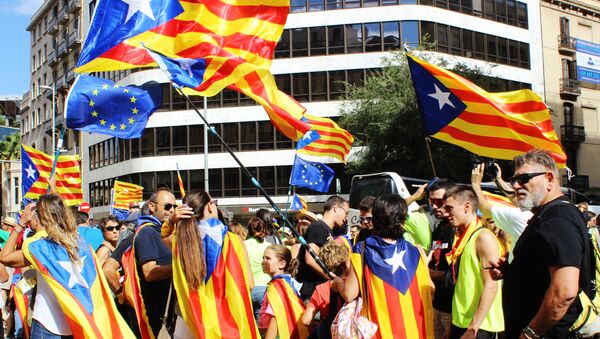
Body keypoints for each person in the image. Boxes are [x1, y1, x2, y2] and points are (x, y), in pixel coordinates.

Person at [0, 194, 132, 338]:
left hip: (47, 325)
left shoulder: (38, 247)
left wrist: (21, 223)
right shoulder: (82, 244)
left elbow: (4, 257)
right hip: (78, 321)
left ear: (40, 218)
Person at [492, 149, 591, 338]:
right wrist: (515, 269)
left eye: (524, 179)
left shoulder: (557, 218)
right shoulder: (549, 214)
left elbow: (564, 292)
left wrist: (530, 334)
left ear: (549, 179)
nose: (516, 186)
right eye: (514, 180)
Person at [337, 194, 434, 338]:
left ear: (375, 219)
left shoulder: (361, 250)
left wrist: (337, 283)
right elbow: (431, 291)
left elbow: (349, 293)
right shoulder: (417, 251)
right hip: (417, 331)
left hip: (381, 332)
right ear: (403, 221)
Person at [166, 190, 257, 338]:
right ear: (209, 207)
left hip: (189, 320)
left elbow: (164, 236)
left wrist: (171, 221)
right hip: (225, 321)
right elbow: (249, 284)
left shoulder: (181, 242)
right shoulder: (233, 240)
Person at [442, 186, 504, 338]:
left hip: (479, 325)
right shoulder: (460, 236)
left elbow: (491, 285)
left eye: (450, 208)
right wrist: (451, 324)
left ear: (467, 207)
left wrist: (474, 327)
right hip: (461, 322)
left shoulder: (483, 237)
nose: (446, 214)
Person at [407, 178, 456, 339]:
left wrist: (427, 271)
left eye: (439, 201)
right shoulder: (437, 228)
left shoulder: (459, 231)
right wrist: (414, 197)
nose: (434, 206)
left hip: (453, 309)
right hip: (436, 305)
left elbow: (457, 275)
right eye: (431, 200)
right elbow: (391, 212)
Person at [127, 187, 176, 336]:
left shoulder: (163, 231)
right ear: (152, 206)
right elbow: (149, 272)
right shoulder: (148, 231)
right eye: (167, 206)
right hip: (154, 316)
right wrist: (178, 268)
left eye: (175, 206)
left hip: (167, 312)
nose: (172, 210)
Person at [471, 163, 532, 260]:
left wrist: (475, 184)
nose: (515, 186)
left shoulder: (518, 216)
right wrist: (498, 180)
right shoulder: (537, 213)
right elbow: (518, 201)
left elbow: (485, 209)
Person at [296, 195, 349, 301]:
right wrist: (331, 276)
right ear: (335, 208)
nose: (346, 218)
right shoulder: (318, 227)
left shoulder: (329, 230)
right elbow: (310, 259)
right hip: (313, 294)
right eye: (346, 213)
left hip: (323, 292)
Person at [302, 240, 349, 339]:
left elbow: (306, 320)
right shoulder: (353, 285)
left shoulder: (321, 289)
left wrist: (320, 325)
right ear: (346, 262)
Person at [259, 244, 307, 339]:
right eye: (263, 258)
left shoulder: (279, 285)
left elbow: (275, 318)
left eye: (268, 258)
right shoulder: (283, 283)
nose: (263, 261)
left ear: (282, 264)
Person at [244, 217, 273, 322]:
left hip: (248, 288)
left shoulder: (243, 245)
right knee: (262, 326)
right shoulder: (269, 247)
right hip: (265, 288)